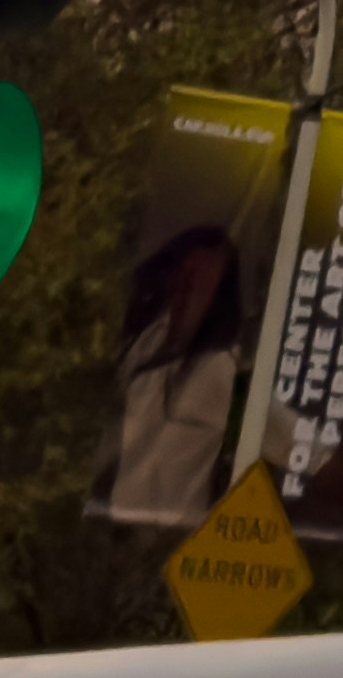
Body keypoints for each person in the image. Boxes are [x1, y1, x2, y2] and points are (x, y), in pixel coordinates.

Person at [102, 205, 254, 526]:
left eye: (200, 281)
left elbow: (293, 441)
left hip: (170, 535)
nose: (187, 286)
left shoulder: (221, 371)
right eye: (183, 274)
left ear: (217, 299)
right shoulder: (144, 340)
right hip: (109, 522)